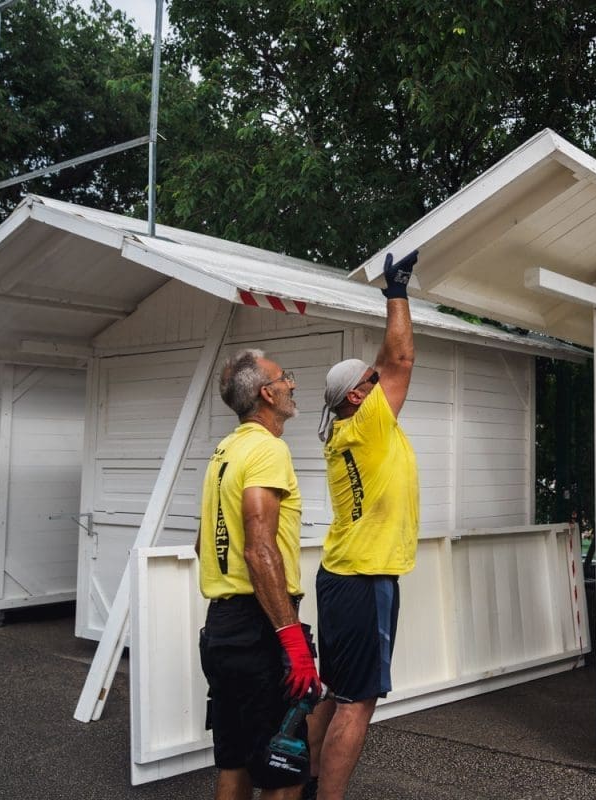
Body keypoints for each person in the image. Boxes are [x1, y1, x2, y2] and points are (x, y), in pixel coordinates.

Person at [305, 250, 420, 800]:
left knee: (336, 691)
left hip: (339, 576)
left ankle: (300, 786)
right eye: (372, 382)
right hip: (364, 579)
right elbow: (399, 357)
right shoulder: (368, 423)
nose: (383, 383)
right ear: (357, 396)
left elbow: (389, 366)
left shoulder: (345, 434)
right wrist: (396, 290)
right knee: (357, 701)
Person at [197, 349, 321, 800]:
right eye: (285, 378)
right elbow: (259, 548)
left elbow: (203, 544)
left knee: (236, 765)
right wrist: (292, 642)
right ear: (267, 394)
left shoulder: (225, 452)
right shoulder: (269, 449)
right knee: (284, 771)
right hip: (259, 631)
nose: (293, 384)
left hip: (222, 630)